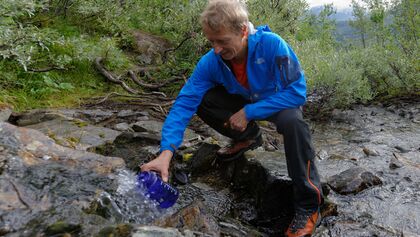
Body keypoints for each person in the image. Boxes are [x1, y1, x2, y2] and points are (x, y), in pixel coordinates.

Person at [140, 0, 323, 236]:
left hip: (277, 102)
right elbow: (185, 102)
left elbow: (297, 93)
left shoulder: (273, 45)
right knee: (203, 97)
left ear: (243, 31)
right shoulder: (211, 62)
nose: (216, 49)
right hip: (244, 99)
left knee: (294, 123)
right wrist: (166, 153)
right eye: (211, 41)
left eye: (223, 41)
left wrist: (249, 112)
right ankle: (249, 137)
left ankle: (308, 205)